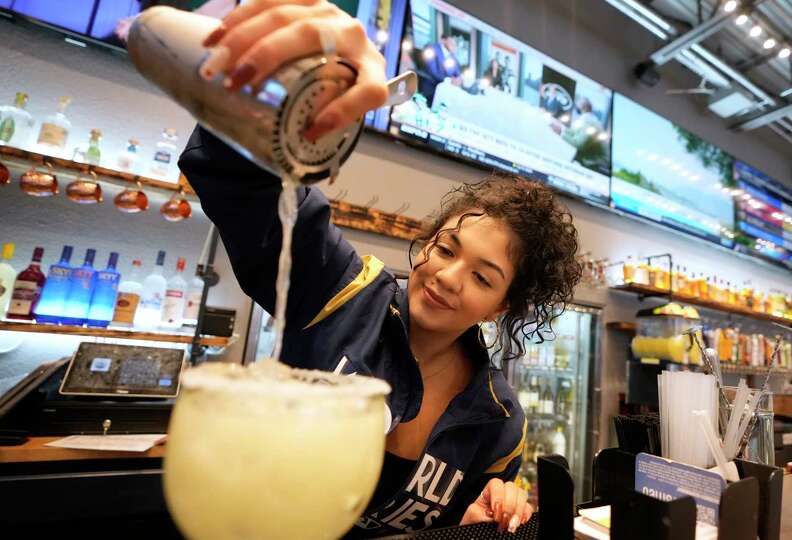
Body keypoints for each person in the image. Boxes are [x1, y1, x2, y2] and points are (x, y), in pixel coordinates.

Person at [181, 1, 582, 536]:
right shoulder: (342, 291)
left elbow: (456, 529)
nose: (445, 275)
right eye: (446, 249)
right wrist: (278, 94)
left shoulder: (498, 419)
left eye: (482, 277)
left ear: (503, 305)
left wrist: (476, 520)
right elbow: (250, 187)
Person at [419, 33, 463, 107]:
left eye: (455, 44)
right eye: (451, 42)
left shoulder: (452, 56)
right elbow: (431, 70)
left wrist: (459, 79)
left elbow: (457, 72)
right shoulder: (432, 48)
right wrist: (449, 80)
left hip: (445, 92)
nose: (454, 44)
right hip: (431, 87)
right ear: (443, 40)